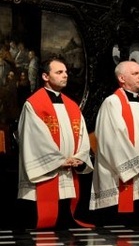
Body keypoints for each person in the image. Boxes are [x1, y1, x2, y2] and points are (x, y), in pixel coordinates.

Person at [17, 57, 93, 229]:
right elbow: (35, 139)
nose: (65, 75)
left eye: (66, 72)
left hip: (69, 168)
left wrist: (78, 157)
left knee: (65, 229)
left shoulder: (72, 105)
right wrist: (60, 161)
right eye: (59, 72)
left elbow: (82, 135)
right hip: (48, 174)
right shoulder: (34, 105)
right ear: (45, 76)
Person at [90, 60, 139, 224]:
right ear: (122, 78)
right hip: (119, 177)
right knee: (119, 230)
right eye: (135, 73)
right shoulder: (112, 103)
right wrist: (138, 164)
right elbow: (113, 139)